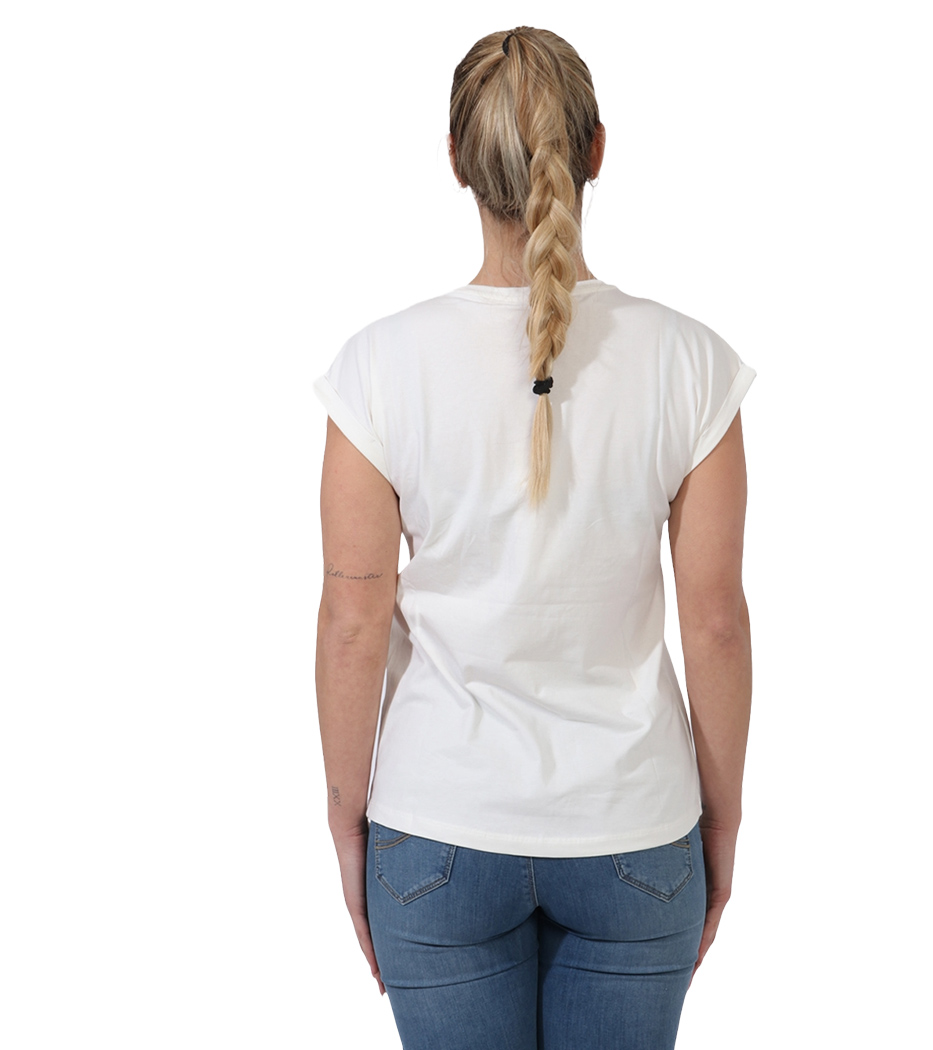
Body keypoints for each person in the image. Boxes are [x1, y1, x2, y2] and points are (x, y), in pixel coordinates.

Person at [312, 26, 756, 1050]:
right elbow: (716, 625)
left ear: (457, 160)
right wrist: (722, 822)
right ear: (597, 149)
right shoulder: (691, 365)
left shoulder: (378, 370)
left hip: (437, 835)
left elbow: (352, 621)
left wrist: (345, 820)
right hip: (636, 833)